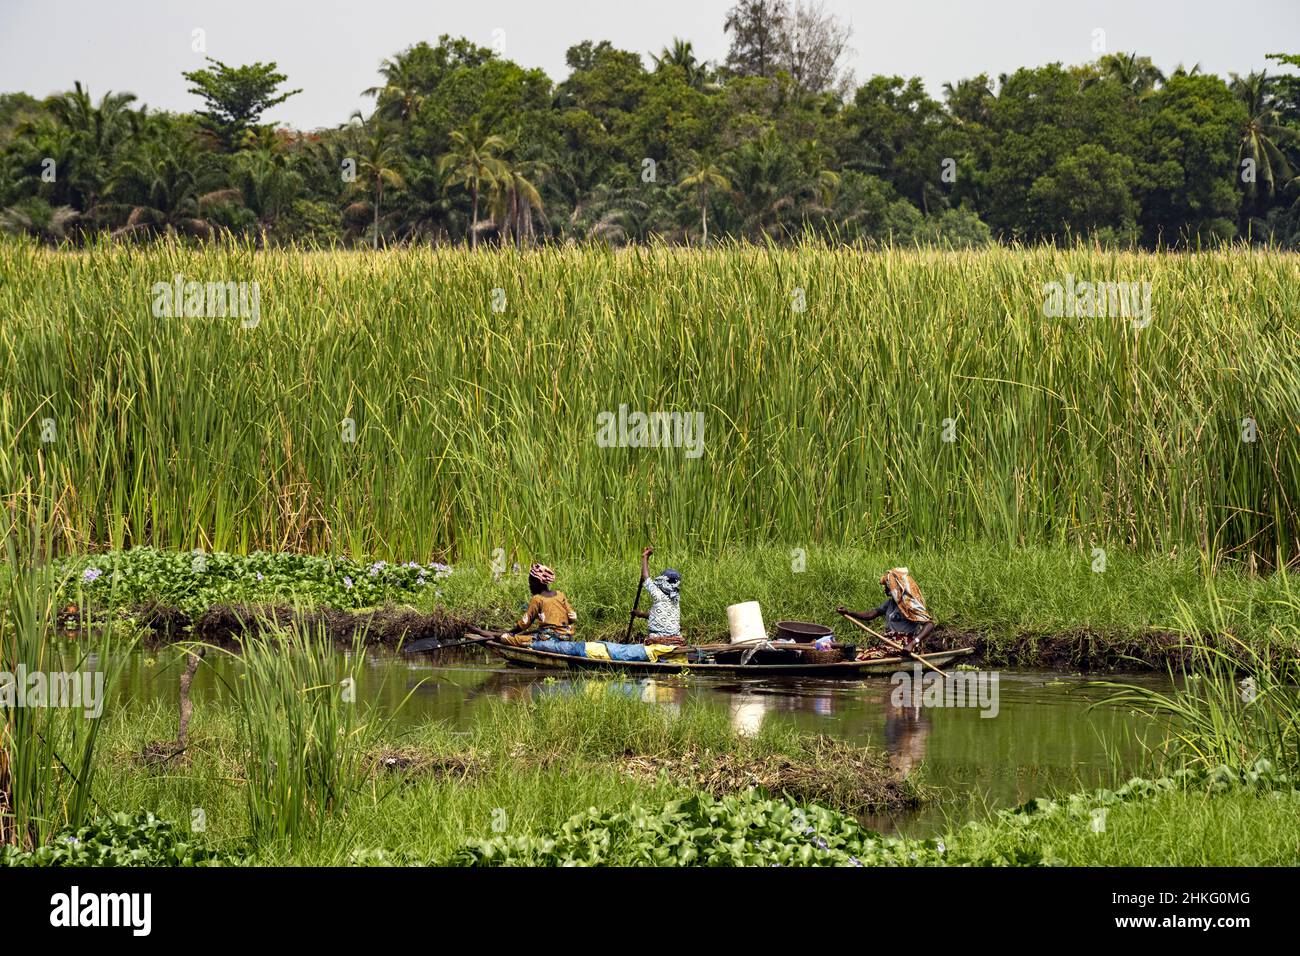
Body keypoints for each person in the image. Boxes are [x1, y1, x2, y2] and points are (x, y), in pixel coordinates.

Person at [466, 563, 577, 646]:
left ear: (536, 582)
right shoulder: (560, 594)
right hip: (567, 637)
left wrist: (509, 633)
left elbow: (524, 624)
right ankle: (479, 631)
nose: (529, 585)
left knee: (504, 637)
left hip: (548, 640)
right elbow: (571, 617)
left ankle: (478, 631)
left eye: (530, 582)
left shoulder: (537, 599)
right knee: (508, 635)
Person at [837, 567, 934, 654]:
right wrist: (849, 613)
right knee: (865, 654)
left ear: (895, 587)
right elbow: (870, 614)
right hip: (889, 643)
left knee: (867, 656)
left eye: (887, 586)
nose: (885, 589)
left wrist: (913, 643)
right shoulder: (890, 603)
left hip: (904, 645)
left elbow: (929, 624)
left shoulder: (910, 605)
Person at [630, 546, 684, 645]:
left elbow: (646, 577)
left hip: (658, 640)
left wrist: (645, 557)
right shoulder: (675, 598)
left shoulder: (658, 594)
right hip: (676, 639)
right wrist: (640, 614)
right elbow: (659, 616)